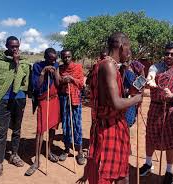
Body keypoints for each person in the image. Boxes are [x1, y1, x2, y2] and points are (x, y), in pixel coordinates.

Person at [78, 32, 143, 184]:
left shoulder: (106, 65)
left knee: (120, 173)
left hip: (110, 125)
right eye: (129, 48)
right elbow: (116, 103)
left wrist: (129, 92)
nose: (129, 53)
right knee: (109, 174)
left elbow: (109, 98)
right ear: (122, 46)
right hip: (109, 128)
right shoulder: (108, 65)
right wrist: (136, 98)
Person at [139, 43, 173, 183]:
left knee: (171, 141)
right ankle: (148, 164)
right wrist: (150, 80)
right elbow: (151, 75)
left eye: (172, 54)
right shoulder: (156, 67)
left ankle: (169, 171)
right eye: (167, 53)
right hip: (155, 108)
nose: (169, 56)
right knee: (150, 137)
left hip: (172, 110)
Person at [0, 36, 31, 184]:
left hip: (19, 99)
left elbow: (24, 82)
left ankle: (14, 154)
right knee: (2, 132)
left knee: (17, 129)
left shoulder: (23, 62)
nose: (15, 49)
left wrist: (17, 64)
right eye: (12, 46)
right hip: (3, 100)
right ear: (6, 46)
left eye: (17, 46)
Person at [25, 48, 60, 176]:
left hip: (54, 100)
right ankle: (37, 161)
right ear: (45, 58)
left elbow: (58, 83)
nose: (53, 61)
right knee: (40, 130)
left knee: (52, 128)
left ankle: (49, 151)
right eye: (50, 59)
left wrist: (56, 72)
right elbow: (36, 86)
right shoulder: (37, 66)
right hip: (43, 100)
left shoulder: (56, 65)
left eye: (54, 59)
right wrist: (43, 73)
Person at [58, 49, 86, 165]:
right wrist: (64, 81)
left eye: (68, 56)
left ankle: (79, 152)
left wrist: (72, 79)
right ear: (62, 57)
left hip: (75, 99)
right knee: (66, 125)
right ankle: (66, 149)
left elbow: (81, 83)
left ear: (72, 56)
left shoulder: (78, 67)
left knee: (77, 125)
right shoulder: (60, 69)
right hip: (64, 98)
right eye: (64, 57)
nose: (67, 59)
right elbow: (57, 83)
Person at [120, 60, 145, 127]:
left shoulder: (136, 65)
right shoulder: (116, 65)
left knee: (127, 122)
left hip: (131, 98)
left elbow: (142, 81)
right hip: (119, 98)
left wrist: (140, 96)